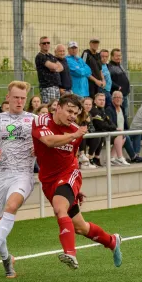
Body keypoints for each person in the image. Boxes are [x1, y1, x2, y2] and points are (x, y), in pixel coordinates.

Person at [31, 94, 122, 270]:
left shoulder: (75, 130)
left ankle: (70, 253)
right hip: (48, 180)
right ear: (57, 107)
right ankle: (112, 241)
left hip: (69, 174)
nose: (72, 116)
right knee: (80, 227)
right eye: (69, 111)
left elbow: (72, 157)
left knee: (60, 208)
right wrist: (73, 135)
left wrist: (72, 187)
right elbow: (49, 142)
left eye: (75, 113)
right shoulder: (42, 120)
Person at [0, 81, 37, 278]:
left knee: (11, 207)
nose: (19, 101)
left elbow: (47, 142)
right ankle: (7, 260)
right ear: (8, 97)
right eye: (16, 97)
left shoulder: (34, 120)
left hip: (23, 174)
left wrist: (40, 149)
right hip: (0, 174)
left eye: (22, 98)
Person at [89, 93, 116, 167]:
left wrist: (114, 127)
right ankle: (94, 158)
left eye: (103, 100)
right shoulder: (94, 110)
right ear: (95, 101)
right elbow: (101, 125)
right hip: (93, 133)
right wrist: (113, 127)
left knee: (122, 136)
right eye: (100, 100)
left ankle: (112, 158)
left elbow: (111, 122)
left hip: (102, 132)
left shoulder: (103, 110)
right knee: (101, 135)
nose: (102, 102)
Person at [105, 91, 131, 166]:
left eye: (120, 97)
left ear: (122, 100)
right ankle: (120, 157)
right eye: (116, 97)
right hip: (111, 132)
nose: (118, 99)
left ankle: (111, 158)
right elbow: (110, 123)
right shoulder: (109, 109)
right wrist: (116, 129)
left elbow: (125, 122)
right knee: (121, 135)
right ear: (112, 99)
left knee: (125, 136)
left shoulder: (122, 108)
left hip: (120, 133)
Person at [35, 36, 62, 103]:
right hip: (47, 87)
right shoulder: (40, 56)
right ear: (40, 45)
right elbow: (52, 66)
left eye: (48, 43)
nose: (46, 44)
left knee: (56, 107)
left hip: (56, 86)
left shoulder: (51, 56)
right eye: (44, 43)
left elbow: (61, 67)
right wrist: (54, 67)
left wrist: (54, 69)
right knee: (49, 107)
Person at [107, 48, 130, 118]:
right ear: (112, 57)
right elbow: (109, 81)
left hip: (124, 94)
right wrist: (118, 87)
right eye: (117, 56)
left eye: (120, 56)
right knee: (120, 114)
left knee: (125, 114)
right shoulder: (109, 67)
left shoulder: (120, 65)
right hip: (117, 96)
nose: (119, 57)